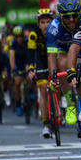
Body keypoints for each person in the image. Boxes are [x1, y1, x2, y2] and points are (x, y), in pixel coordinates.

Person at [46, 0, 81, 125]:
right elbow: (51, 57)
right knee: (62, 63)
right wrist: (53, 77)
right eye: (67, 16)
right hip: (63, 50)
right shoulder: (54, 27)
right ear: (60, 16)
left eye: (74, 15)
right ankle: (71, 104)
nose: (72, 19)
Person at [27, 9, 54, 138]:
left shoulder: (56, 31)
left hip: (54, 60)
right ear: (38, 24)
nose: (46, 25)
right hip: (41, 62)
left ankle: (62, 104)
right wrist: (31, 67)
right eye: (42, 22)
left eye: (48, 21)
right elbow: (30, 52)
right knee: (43, 90)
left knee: (57, 86)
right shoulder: (35, 34)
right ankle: (46, 125)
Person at [10, 25, 30, 116]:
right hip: (17, 63)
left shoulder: (27, 42)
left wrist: (30, 66)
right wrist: (13, 69)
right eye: (17, 37)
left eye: (21, 36)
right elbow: (12, 57)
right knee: (17, 82)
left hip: (26, 61)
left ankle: (30, 92)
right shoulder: (13, 43)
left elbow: (31, 55)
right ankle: (18, 105)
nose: (19, 38)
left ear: (23, 36)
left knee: (30, 76)